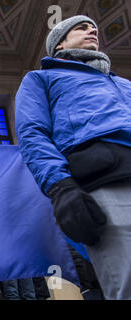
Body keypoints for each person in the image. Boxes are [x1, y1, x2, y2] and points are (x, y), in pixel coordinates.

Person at [15, 15, 131, 300]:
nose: (92, 30)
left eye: (93, 27)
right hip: (106, 183)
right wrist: (60, 187)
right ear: (58, 44)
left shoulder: (124, 83)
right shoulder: (41, 79)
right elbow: (33, 134)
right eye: (80, 27)